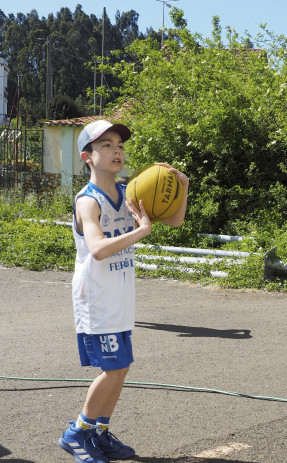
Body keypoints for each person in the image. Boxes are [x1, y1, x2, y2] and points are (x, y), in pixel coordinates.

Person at [58, 120, 189, 463]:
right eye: (106, 145)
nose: (116, 150)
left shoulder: (129, 192)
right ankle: (77, 433)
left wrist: (182, 188)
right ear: (87, 156)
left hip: (119, 295)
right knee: (114, 368)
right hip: (96, 297)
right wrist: (141, 232)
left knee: (122, 367)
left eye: (119, 145)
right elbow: (98, 248)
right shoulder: (88, 201)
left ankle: (99, 433)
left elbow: (174, 220)